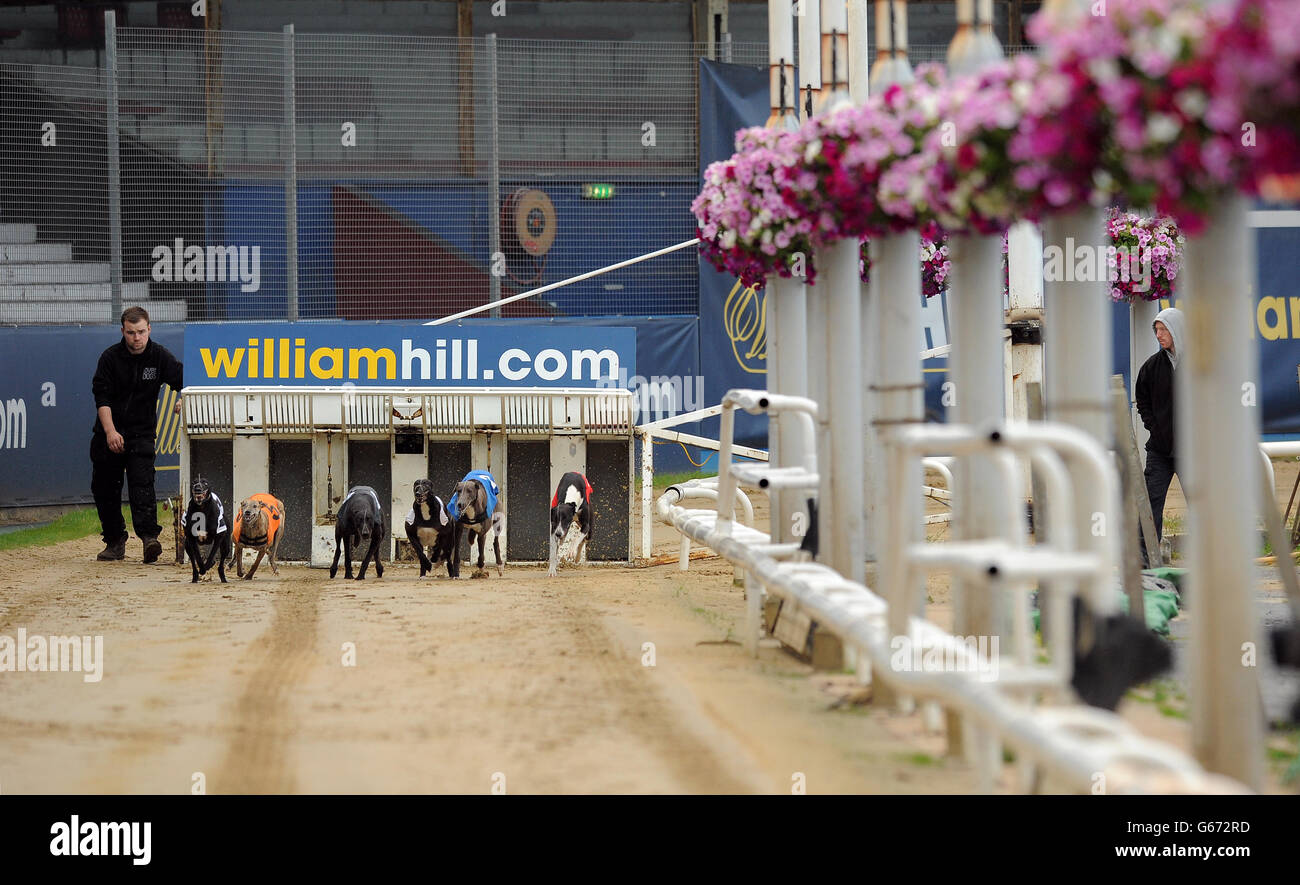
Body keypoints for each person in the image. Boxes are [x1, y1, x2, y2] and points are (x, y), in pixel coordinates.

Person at [91, 306, 184, 562]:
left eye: (141, 332)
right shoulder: (109, 358)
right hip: (108, 433)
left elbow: (186, 381)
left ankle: (149, 540)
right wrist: (110, 432)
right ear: (123, 331)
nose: (136, 338)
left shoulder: (159, 357)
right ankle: (114, 541)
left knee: (142, 485)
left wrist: (184, 400)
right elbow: (102, 398)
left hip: (141, 434)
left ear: (149, 329)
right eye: (131, 332)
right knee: (104, 488)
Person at [1134, 306, 1185, 565]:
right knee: (1150, 504)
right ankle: (1145, 558)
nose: (1159, 335)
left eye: (1164, 329)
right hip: (1160, 451)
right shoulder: (1151, 367)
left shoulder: (1200, 365)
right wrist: (1154, 426)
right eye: (1156, 330)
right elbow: (1141, 399)